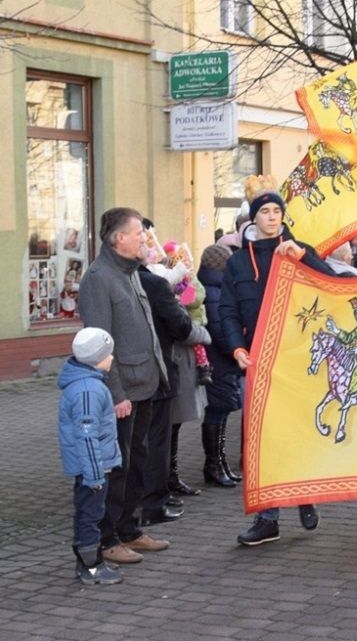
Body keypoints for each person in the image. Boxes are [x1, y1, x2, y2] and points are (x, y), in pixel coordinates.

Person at [221, 179, 340, 546]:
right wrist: (236, 347)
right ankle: (268, 518)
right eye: (265, 212)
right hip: (258, 359)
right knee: (262, 436)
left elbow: (334, 284)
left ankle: (303, 496)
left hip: (298, 356)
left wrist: (304, 257)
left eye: (277, 211)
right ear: (253, 219)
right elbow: (226, 310)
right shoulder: (239, 261)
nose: (272, 218)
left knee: (297, 431)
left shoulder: (298, 249)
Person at [78, 207, 171, 565]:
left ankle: (130, 529)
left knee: (138, 462)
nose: (145, 237)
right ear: (118, 239)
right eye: (138, 232)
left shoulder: (130, 272)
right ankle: (107, 539)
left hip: (145, 383)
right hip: (122, 391)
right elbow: (100, 343)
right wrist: (116, 394)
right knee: (116, 468)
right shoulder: (99, 278)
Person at [138, 251, 210, 526]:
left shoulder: (122, 277)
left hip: (145, 369)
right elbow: (180, 324)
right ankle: (153, 502)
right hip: (161, 366)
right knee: (157, 437)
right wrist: (201, 334)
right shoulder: (153, 282)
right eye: (143, 238)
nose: (149, 245)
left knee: (155, 435)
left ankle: (157, 491)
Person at [58, 327, 123, 585]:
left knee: (87, 513)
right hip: (93, 470)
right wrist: (95, 475)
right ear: (97, 358)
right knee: (90, 516)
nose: (113, 358)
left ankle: (87, 561)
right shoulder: (89, 391)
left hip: (91, 467)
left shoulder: (89, 384)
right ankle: (92, 566)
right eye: (109, 353)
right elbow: (87, 437)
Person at [196, 243, 244, 488]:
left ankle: (219, 462)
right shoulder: (213, 292)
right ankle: (214, 465)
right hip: (219, 362)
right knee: (217, 412)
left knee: (221, 412)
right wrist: (238, 346)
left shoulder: (210, 287)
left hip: (219, 361)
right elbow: (220, 330)